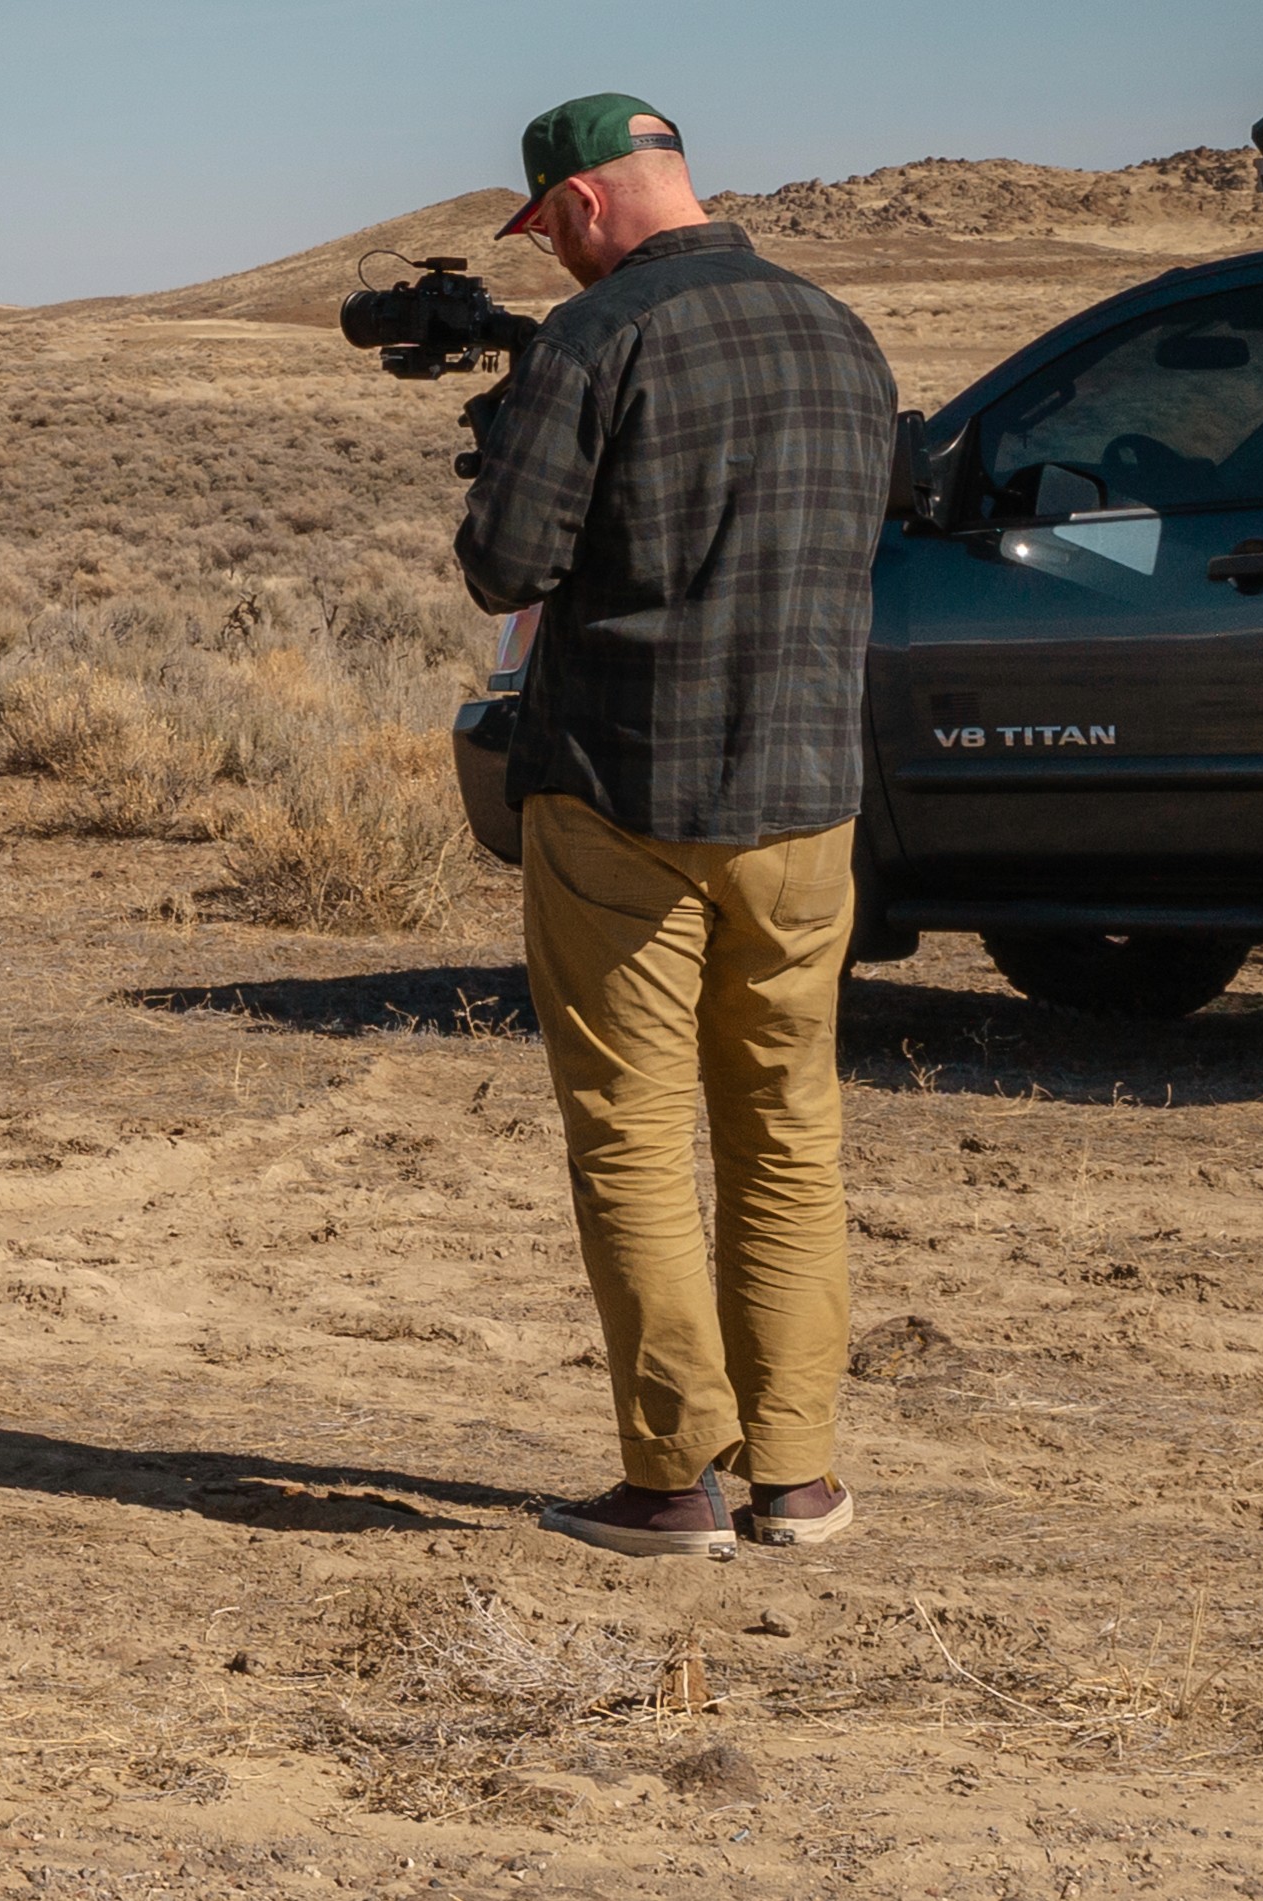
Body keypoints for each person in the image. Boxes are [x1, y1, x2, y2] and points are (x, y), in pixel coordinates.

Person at [458, 94, 901, 1562]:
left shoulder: (594, 340)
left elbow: (505, 561)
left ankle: (669, 1480)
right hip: (804, 799)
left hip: (624, 794)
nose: (551, 262)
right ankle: (798, 1476)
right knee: (787, 1128)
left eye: (547, 233)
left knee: (632, 1132)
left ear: (581, 201)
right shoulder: (839, 331)